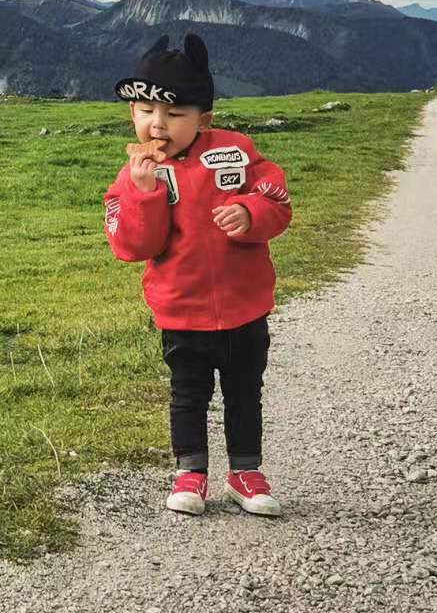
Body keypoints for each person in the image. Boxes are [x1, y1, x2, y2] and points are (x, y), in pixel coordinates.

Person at [103, 33, 293, 517]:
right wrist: (144, 194)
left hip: (244, 305)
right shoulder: (133, 175)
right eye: (145, 111)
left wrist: (250, 213)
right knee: (187, 395)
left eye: (174, 114)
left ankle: (246, 473)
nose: (157, 124)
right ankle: (191, 471)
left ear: (203, 119)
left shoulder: (235, 151)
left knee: (244, 393)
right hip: (180, 310)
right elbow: (131, 246)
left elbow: (276, 198)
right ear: (132, 115)